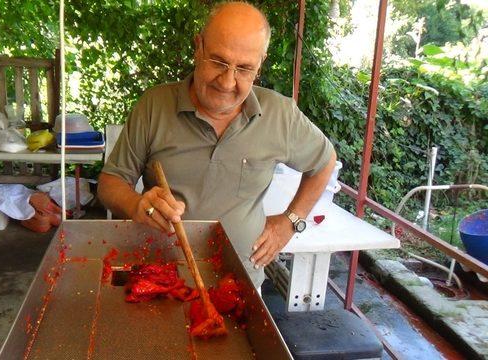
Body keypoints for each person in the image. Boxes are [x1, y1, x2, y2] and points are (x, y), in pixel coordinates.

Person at [98, 1, 336, 288]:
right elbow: (110, 183)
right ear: (198, 48)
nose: (227, 82)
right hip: (160, 278)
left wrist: (290, 221)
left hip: (241, 283)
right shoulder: (154, 105)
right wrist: (137, 204)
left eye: (244, 68)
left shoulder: (280, 114)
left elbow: (325, 161)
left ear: (259, 65)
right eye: (219, 62)